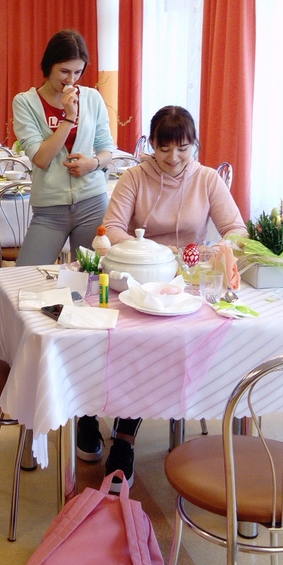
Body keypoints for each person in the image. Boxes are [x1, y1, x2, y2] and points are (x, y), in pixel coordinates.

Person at [95, 105, 247, 484]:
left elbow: (236, 230)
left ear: (195, 144)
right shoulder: (135, 177)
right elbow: (111, 227)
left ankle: (125, 432)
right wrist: (151, 253)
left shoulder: (207, 179)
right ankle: (111, 427)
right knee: (133, 342)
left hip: (188, 284)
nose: (174, 158)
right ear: (152, 145)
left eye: (183, 148)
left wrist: (216, 250)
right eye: (164, 149)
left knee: (179, 341)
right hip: (139, 279)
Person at [12, 30, 115, 267]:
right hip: (50, 208)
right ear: (49, 66)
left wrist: (93, 164)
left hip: (92, 201)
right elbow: (41, 158)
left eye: (78, 72)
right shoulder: (25, 102)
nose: (71, 80)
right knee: (27, 275)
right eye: (64, 71)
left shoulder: (92, 98)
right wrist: (69, 118)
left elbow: (106, 149)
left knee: (92, 275)